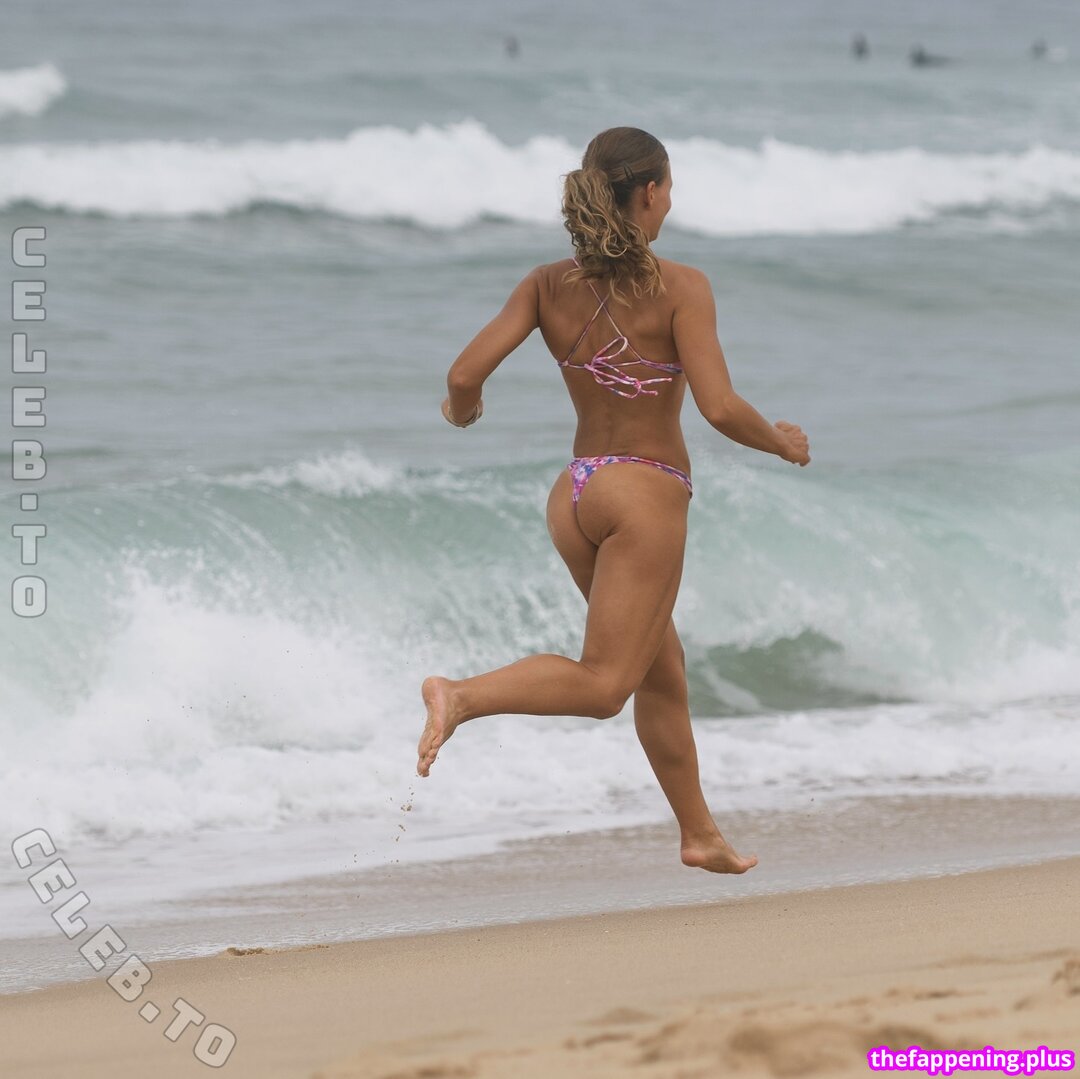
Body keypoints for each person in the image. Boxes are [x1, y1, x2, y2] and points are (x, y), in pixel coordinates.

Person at [418, 127, 810, 875]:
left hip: (577, 492)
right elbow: (721, 407)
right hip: (643, 492)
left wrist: (461, 414)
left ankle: (700, 834)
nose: (670, 204)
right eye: (669, 190)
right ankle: (460, 696)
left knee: (661, 668)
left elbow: (464, 376)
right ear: (650, 192)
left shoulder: (546, 285)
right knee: (605, 685)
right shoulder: (682, 286)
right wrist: (783, 444)